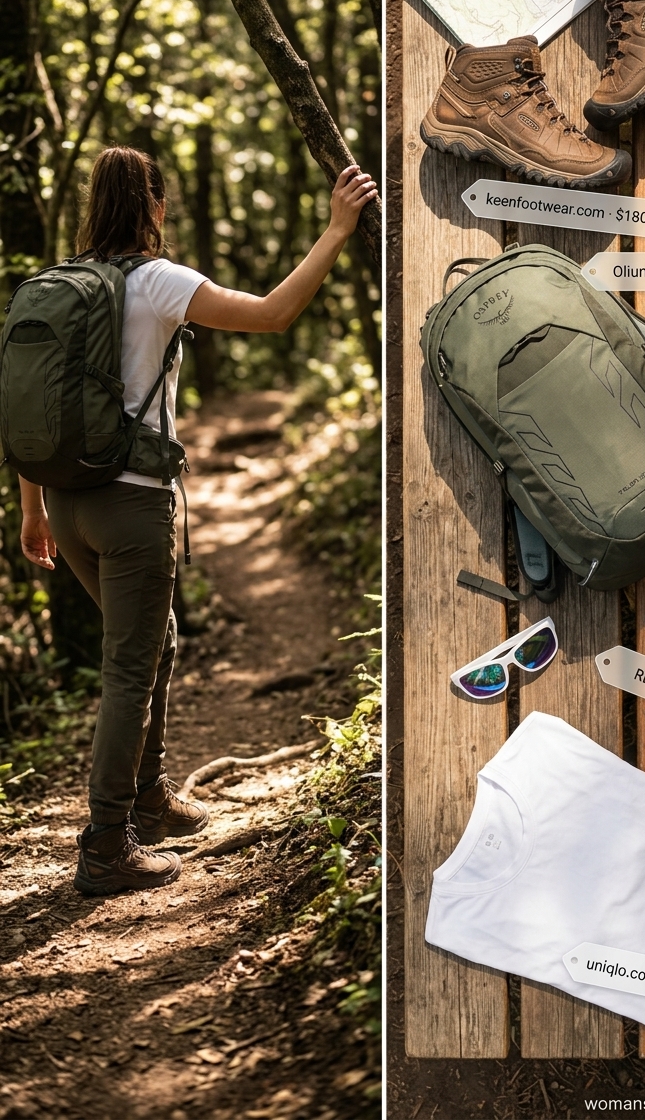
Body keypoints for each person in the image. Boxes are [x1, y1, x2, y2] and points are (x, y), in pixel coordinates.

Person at [17, 145, 378, 896]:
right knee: (129, 663)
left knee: (157, 643)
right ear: (153, 206)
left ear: (93, 205)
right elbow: (276, 314)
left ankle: (147, 798)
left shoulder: (53, 285)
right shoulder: (159, 283)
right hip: (131, 506)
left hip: (66, 501)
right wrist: (338, 228)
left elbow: (29, 406)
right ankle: (106, 845)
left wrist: (32, 512)